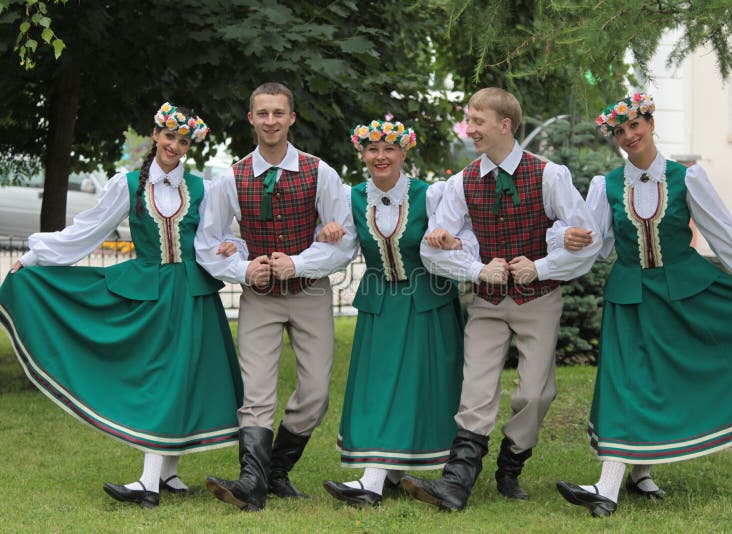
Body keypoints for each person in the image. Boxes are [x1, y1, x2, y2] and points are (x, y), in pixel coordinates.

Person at [553, 93, 732, 517]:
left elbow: (726, 237)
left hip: (685, 293)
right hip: (631, 296)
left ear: (651, 123)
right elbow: (592, 243)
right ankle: (606, 489)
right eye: (620, 131)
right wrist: (564, 240)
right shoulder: (606, 185)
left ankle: (637, 474)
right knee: (627, 383)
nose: (629, 136)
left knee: (664, 380)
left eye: (635, 126)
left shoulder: (689, 178)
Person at [0, 102, 244, 508]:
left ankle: (162, 477)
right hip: (150, 293)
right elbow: (88, 231)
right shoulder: (128, 184)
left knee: (181, 378)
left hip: (190, 294)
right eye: (169, 137)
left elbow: (217, 237)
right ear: (155, 135)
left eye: (183, 141)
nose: (175, 146)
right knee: (161, 379)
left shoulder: (203, 188)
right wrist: (37, 255)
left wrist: (230, 247)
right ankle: (156, 478)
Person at [400, 87, 602, 511]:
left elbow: (587, 241)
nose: (469, 129)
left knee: (535, 394)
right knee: (475, 392)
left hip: (539, 300)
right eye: (468, 120)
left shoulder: (550, 176)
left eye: (477, 121)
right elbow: (432, 249)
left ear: (505, 125)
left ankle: (510, 465)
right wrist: (475, 269)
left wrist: (541, 267)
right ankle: (455, 484)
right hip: (488, 303)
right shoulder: (461, 183)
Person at [196, 82, 354, 511]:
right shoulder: (231, 178)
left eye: (278, 113)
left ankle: (275, 471)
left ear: (292, 118)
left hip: (309, 291)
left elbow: (345, 240)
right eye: (262, 113)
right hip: (260, 296)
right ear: (251, 118)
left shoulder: (321, 172)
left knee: (317, 391)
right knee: (257, 391)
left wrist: (299, 263)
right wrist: (243, 267)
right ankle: (251, 483)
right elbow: (208, 243)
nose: (270, 121)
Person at [315, 119, 476, 507]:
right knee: (379, 388)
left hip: (427, 302)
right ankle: (382, 474)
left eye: (389, 149)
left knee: (414, 388)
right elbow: (341, 247)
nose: (380, 156)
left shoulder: (430, 194)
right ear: (363, 153)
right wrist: (325, 234)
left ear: (404, 152)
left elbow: (466, 234)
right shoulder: (352, 197)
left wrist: (450, 240)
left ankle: (373, 482)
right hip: (381, 303)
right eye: (372, 149)